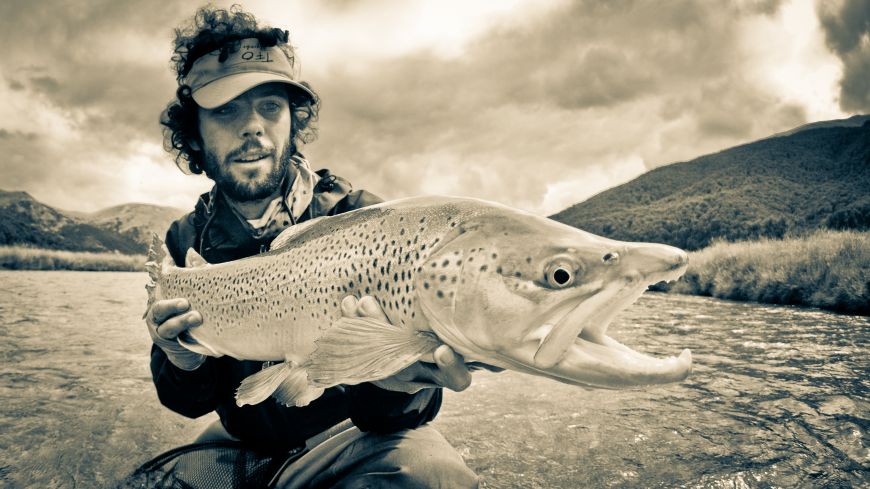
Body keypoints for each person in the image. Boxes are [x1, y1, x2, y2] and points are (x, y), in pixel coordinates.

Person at [143, 6, 479, 488]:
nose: (253, 126)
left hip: (357, 437)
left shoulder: (367, 222)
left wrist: (393, 383)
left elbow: (400, 414)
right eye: (225, 111)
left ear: (293, 123)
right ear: (194, 133)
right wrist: (181, 358)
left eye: (270, 107)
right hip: (243, 440)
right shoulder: (185, 241)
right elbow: (188, 402)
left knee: (433, 479)